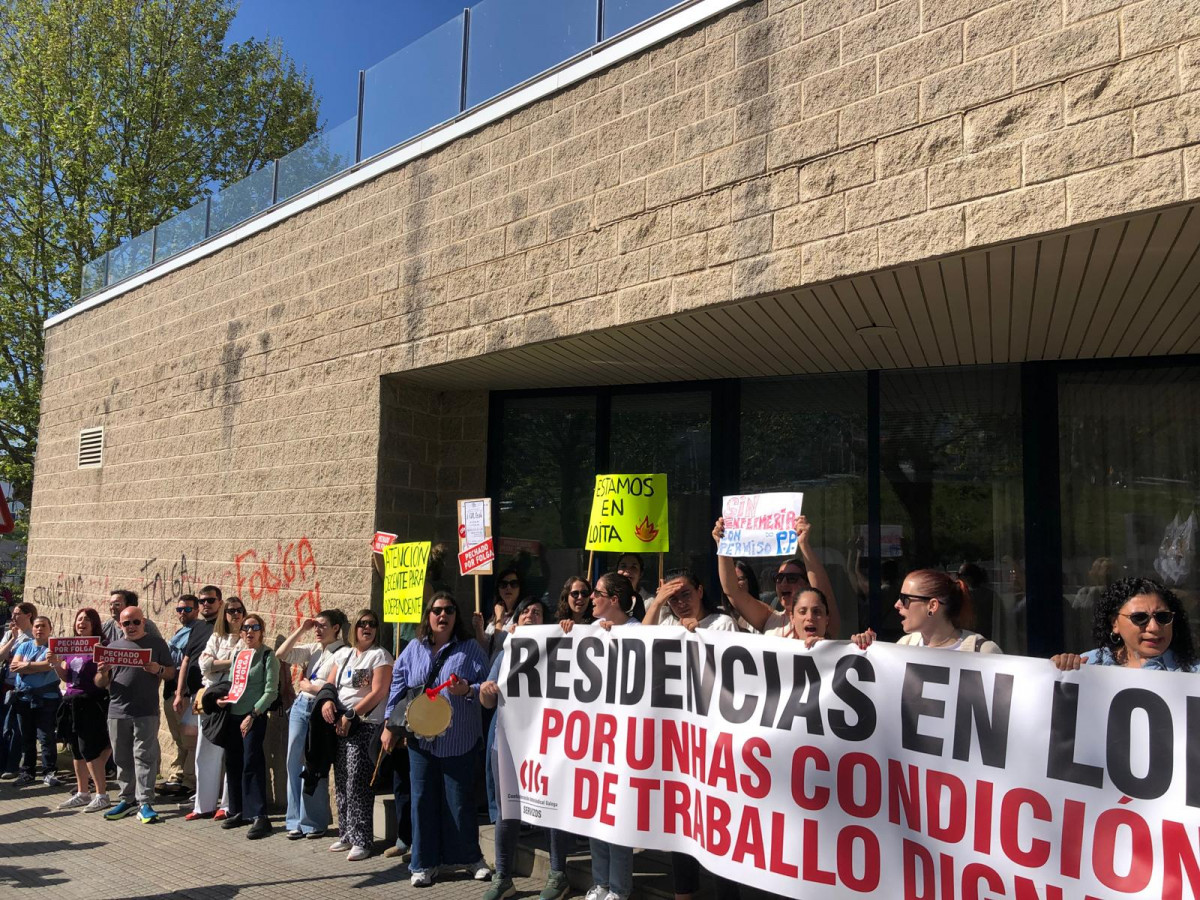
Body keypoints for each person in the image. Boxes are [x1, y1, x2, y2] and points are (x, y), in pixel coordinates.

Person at [381, 591, 489, 887]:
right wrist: (390, 724)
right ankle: (424, 864)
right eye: (438, 610)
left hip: (459, 739)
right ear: (428, 616)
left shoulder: (470, 649)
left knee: (460, 803)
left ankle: (469, 858)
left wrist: (467, 689)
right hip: (420, 741)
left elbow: (490, 687)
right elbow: (397, 688)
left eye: (449, 610)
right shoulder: (413, 649)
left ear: (457, 616)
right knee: (422, 802)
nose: (443, 615)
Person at [480, 596, 571, 900]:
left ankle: (558, 875)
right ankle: (503, 877)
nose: (531, 615)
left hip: (546, 744)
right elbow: (487, 700)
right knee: (507, 811)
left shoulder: (557, 647)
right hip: (506, 744)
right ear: (515, 622)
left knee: (551, 808)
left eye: (538, 612)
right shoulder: (506, 651)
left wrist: (569, 633)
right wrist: (486, 690)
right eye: (526, 612)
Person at [572, 573, 640, 900]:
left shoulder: (639, 633)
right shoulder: (589, 630)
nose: (590, 598)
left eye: (596, 593)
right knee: (592, 813)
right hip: (592, 740)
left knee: (618, 816)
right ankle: (600, 882)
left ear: (614, 599)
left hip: (623, 741)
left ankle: (619, 888)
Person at [320, 608, 392, 861]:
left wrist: (351, 715)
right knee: (340, 781)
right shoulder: (346, 655)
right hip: (341, 723)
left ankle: (362, 839)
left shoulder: (380, 656)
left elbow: (379, 691)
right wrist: (327, 701)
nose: (367, 627)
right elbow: (329, 684)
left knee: (357, 782)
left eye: (372, 623)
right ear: (354, 629)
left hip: (364, 724)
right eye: (362, 623)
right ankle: (347, 834)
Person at [95, 606, 175, 823]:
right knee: (122, 758)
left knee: (144, 756)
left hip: (145, 710)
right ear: (120, 625)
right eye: (126, 623)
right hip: (117, 710)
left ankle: (145, 802)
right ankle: (127, 799)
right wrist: (103, 671)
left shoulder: (157, 644)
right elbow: (101, 683)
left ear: (144, 622)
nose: (131, 626)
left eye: (135, 622)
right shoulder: (113, 646)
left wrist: (157, 669)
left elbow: (170, 673)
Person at [275, 609, 348, 840]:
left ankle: (314, 822)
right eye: (315, 625)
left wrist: (312, 688)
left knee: (314, 763)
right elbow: (282, 654)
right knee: (293, 762)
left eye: (322, 625)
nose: (318, 629)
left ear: (336, 628)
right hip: (300, 707)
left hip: (320, 708)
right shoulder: (314, 648)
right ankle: (295, 819)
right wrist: (301, 629)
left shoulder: (343, 652)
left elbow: (338, 687)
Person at [711, 516, 839, 637]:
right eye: (779, 578)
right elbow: (732, 591)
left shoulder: (820, 620)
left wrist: (804, 544)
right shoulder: (770, 618)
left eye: (792, 578)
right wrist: (723, 545)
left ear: (807, 583)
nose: (783, 583)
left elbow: (823, 595)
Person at [215, 613, 278, 839]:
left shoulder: (268, 656)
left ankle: (260, 816)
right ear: (241, 633)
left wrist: (253, 714)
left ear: (262, 631)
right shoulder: (239, 654)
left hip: (254, 716)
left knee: (252, 762)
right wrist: (223, 700)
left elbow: (271, 692)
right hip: (233, 715)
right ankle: (239, 809)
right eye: (246, 628)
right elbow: (232, 684)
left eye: (255, 627)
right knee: (233, 763)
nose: (250, 632)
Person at [1052, 576, 1197, 672]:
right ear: (1114, 623)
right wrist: (1056, 671)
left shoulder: (1194, 675)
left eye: (1163, 617)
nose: (1154, 627)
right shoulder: (1086, 664)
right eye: (1139, 617)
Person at [850, 569, 1002, 654]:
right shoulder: (905, 645)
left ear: (932, 606)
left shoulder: (983, 651)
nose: (897, 604)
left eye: (905, 598)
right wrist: (870, 651)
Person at [48, 607, 112, 811]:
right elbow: (67, 677)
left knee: (90, 749)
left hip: (91, 702)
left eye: (86, 619)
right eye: (78, 619)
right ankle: (82, 792)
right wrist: (56, 664)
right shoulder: (70, 647)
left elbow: (101, 682)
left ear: (94, 624)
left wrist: (103, 670)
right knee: (76, 750)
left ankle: (102, 795)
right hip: (70, 702)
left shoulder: (100, 646)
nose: (81, 623)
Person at [189, 596, 245, 820]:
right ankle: (203, 806)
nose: (235, 614)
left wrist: (216, 663)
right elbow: (203, 664)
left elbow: (243, 664)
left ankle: (227, 805)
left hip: (233, 698)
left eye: (239, 610)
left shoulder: (246, 637)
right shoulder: (216, 637)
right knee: (205, 751)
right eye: (231, 611)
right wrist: (230, 661)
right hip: (210, 698)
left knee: (230, 754)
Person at [167, 586, 220, 795]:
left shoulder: (221, 626)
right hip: (191, 694)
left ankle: (194, 785)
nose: (205, 604)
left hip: (208, 692)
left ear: (219, 602)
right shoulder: (197, 628)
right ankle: (190, 784)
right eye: (202, 601)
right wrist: (180, 693)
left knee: (201, 741)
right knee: (190, 739)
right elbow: (187, 660)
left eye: (210, 600)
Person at [9, 615, 63, 786]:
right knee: (27, 737)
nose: (40, 629)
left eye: (43, 626)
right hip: (23, 698)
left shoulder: (54, 648)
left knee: (46, 737)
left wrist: (26, 666)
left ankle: (49, 771)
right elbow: (14, 666)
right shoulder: (24, 646)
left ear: (50, 629)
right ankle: (28, 771)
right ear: (32, 629)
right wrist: (32, 667)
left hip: (47, 699)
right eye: (37, 626)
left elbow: (49, 666)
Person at [160, 594, 200, 797]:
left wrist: (181, 692)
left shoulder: (198, 632)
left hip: (183, 692)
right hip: (170, 689)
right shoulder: (180, 631)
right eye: (179, 610)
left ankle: (189, 782)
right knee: (179, 739)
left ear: (197, 610)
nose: (182, 613)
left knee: (189, 740)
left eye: (187, 609)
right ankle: (179, 777)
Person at [0, 601, 36, 778]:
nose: (13, 617)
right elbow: (1, 656)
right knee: (3, 727)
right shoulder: (9, 634)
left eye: (17, 613)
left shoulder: (32, 636)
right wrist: (13, 638)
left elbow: (22, 665)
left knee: (14, 728)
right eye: (13, 613)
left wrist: (17, 661)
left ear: (28, 615)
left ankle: (12, 765)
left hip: (19, 688)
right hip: (5, 685)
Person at [643, 568, 740, 633]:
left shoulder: (723, 624)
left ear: (700, 591)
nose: (681, 603)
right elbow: (641, 640)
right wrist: (657, 602)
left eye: (685, 595)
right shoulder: (668, 624)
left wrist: (699, 634)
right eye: (673, 599)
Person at [476, 568, 523, 654]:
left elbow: (499, 645)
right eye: (503, 584)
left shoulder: (522, 615)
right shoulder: (497, 613)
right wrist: (479, 628)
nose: (508, 587)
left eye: (513, 584)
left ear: (520, 588)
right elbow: (484, 647)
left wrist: (499, 620)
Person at [615, 553, 652, 620]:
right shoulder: (607, 599)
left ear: (641, 574)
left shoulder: (651, 602)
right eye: (623, 566)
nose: (627, 572)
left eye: (633, 567)